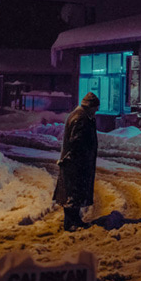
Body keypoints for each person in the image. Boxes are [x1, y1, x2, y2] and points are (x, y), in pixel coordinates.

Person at [53, 92, 100, 232]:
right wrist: (74, 158)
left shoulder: (81, 116)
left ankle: (75, 220)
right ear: (90, 107)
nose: (96, 111)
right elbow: (76, 141)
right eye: (96, 108)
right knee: (72, 193)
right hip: (76, 163)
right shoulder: (80, 118)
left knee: (75, 192)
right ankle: (70, 223)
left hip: (77, 162)